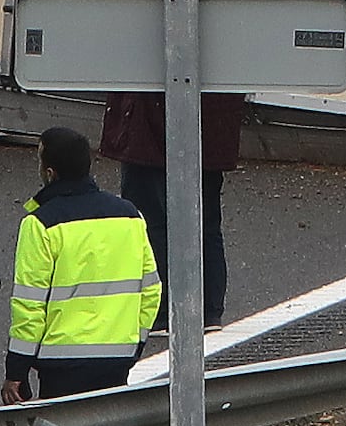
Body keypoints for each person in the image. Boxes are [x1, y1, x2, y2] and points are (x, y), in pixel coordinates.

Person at [4, 124, 163, 426]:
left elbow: (29, 305)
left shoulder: (42, 224)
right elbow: (150, 288)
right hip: (114, 358)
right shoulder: (128, 216)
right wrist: (132, 343)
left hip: (62, 363)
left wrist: (17, 370)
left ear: (47, 168)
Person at [97, 83, 242, 335]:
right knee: (205, 219)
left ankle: (161, 310)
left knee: (151, 217)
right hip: (211, 117)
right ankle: (208, 311)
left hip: (149, 117)